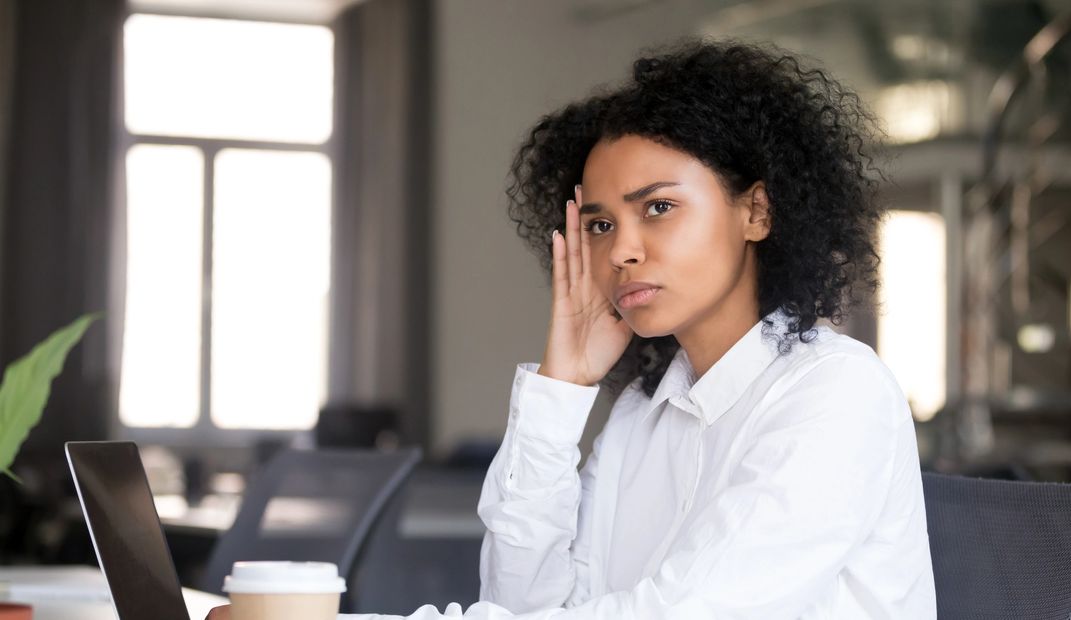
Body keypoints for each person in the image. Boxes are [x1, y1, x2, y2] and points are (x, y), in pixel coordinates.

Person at [210, 37, 935, 620]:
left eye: (657, 208)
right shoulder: (643, 415)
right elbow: (521, 603)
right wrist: (561, 391)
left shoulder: (837, 393)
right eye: (598, 222)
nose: (620, 250)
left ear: (756, 212)